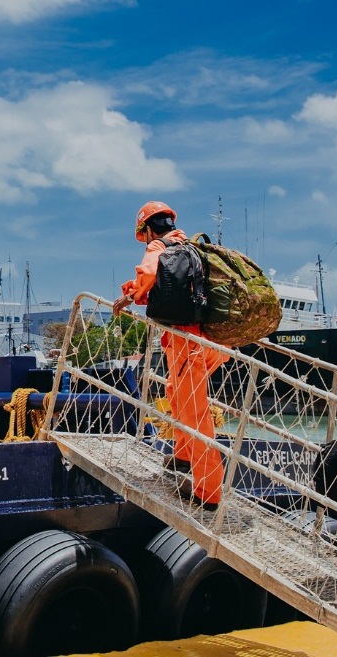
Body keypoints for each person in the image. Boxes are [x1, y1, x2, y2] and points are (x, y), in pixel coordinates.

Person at [112, 201, 229, 511]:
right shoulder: (191, 247)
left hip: (186, 342)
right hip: (209, 341)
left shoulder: (159, 247)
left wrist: (130, 295)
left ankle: (209, 493)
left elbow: (148, 277)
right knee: (177, 397)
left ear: (148, 229)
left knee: (194, 414)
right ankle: (181, 459)